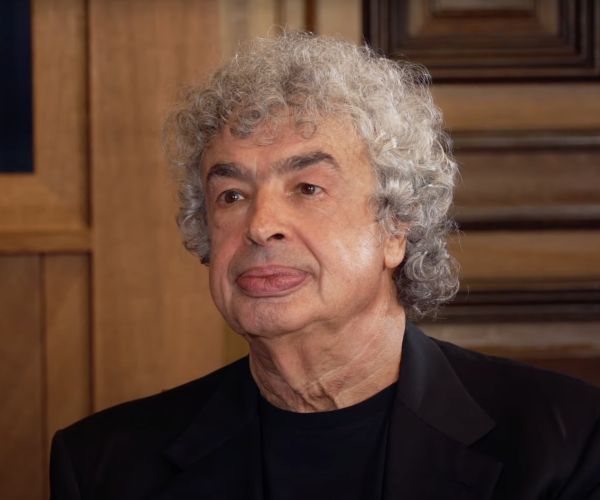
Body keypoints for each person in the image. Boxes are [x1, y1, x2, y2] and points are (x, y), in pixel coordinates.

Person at [50, 32, 600, 500]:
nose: (261, 225)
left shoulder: (565, 440)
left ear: (395, 226)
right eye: (232, 196)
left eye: (307, 188)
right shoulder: (104, 467)